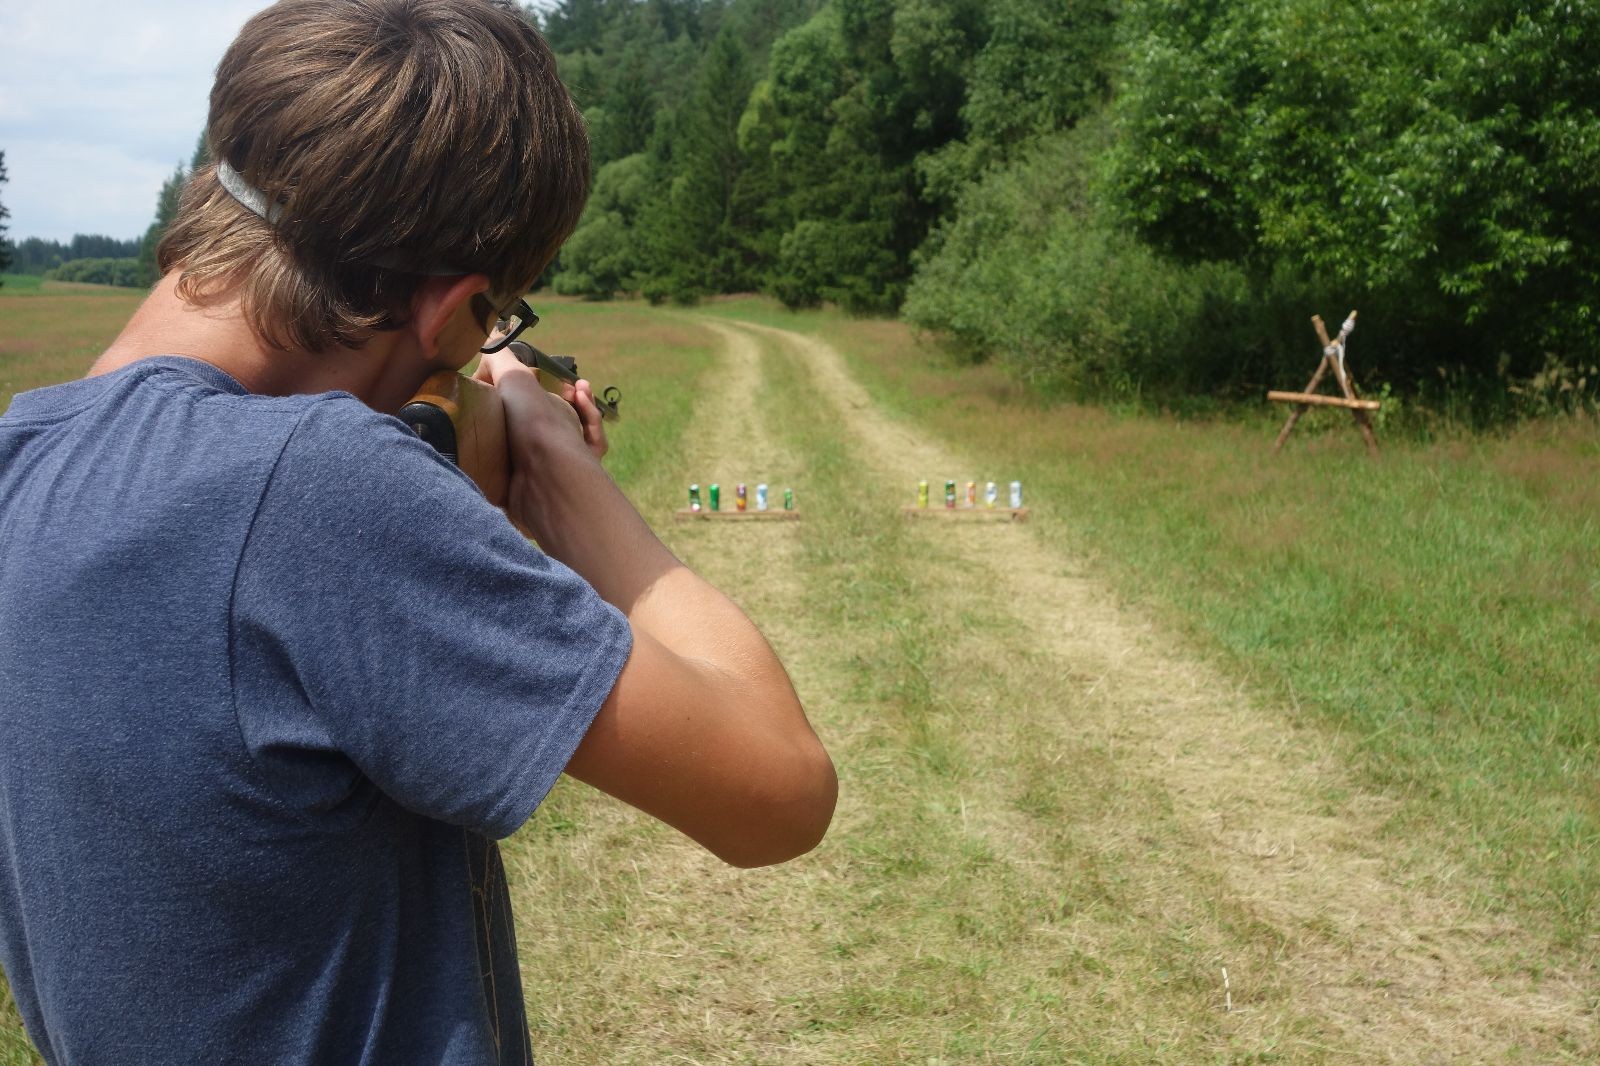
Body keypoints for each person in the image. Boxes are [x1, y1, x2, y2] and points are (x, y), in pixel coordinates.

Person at [0, 1, 836, 1062]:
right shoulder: (318, 487)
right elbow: (780, 792)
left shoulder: (23, 465)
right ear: (452, 311)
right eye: (496, 318)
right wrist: (563, 478)